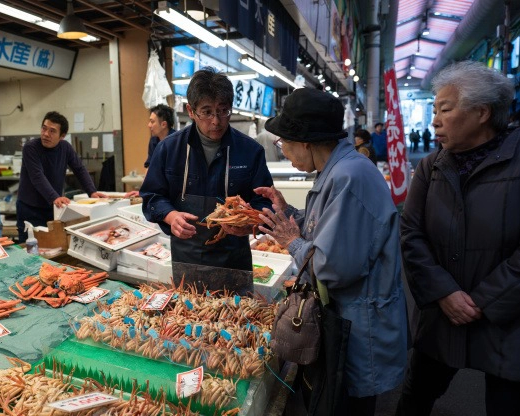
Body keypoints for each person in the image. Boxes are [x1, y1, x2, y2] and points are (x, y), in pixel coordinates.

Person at [255, 87, 407, 416]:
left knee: (346, 408)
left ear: (305, 141)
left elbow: (332, 266)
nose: (283, 151)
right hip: (344, 321)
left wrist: (291, 241)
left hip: (357, 329)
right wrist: (289, 212)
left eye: (283, 143)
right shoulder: (339, 170)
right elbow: (326, 229)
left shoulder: (350, 177)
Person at [397, 61, 520, 415]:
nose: (435, 120)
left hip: (507, 321)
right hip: (442, 315)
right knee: (415, 398)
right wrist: (444, 292)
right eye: (434, 110)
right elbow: (411, 232)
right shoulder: (431, 165)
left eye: (445, 110)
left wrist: (483, 299)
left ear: (482, 112)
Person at [140, 67, 273, 282]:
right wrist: (170, 215)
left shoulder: (250, 151)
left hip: (234, 259)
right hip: (187, 260)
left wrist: (251, 222)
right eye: (207, 111)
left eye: (223, 110)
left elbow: (263, 202)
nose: (216, 121)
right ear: (191, 111)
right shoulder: (168, 149)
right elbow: (152, 196)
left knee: (238, 314)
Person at [17, 111, 106, 242]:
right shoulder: (31, 148)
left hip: (52, 208)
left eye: (52, 131)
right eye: (44, 128)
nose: (46, 134)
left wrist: (92, 192)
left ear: (62, 136)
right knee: (29, 247)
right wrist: (54, 196)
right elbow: (37, 176)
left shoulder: (65, 148)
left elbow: (79, 169)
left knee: (52, 247)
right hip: (30, 208)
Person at [144, 104, 176, 170]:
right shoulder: (154, 140)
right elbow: (149, 165)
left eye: (152, 122)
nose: (149, 125)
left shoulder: (177, 141)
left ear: (163, 124)